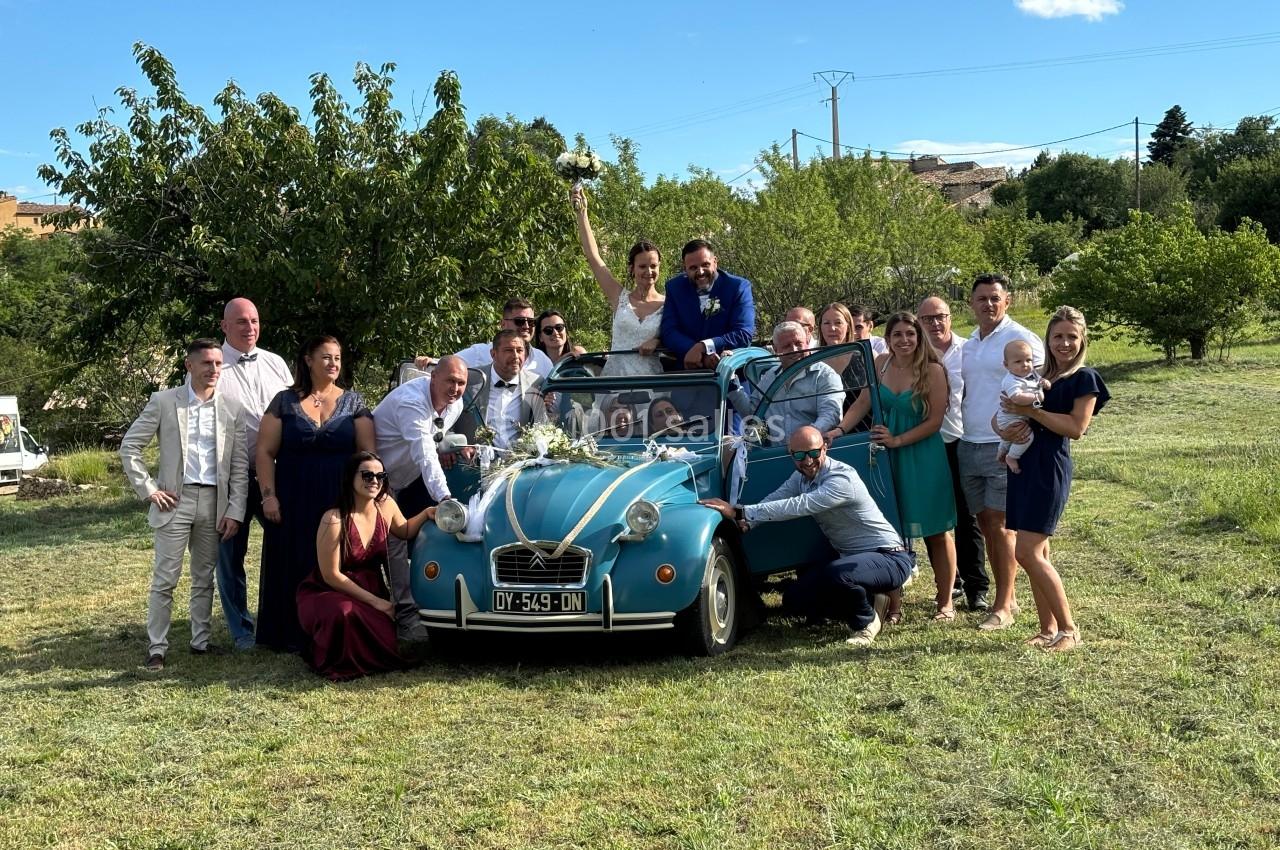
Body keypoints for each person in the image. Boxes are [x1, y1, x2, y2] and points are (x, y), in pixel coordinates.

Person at [700, 426, 912, 648]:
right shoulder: (799, 477)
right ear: (791, 455)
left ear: (825, 448)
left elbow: (799, 505)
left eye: (813, 453)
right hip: (848, 557)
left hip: (888, 556)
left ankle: (866, 622)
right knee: (795, 600)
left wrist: (739, 511)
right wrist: (747, 522)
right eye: (799, 455)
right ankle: (873, 598)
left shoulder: (841, 478)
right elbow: (778, 497)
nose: (807, 461)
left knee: (838, 575)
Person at [119, 339, 248, 671]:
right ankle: (157, 647)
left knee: (204, 575)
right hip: (174, 500)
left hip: (214, 502)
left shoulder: (232, 406)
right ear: (189, 365)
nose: (214, 370)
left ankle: (200, 642)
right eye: (206, 363)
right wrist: (148, 489)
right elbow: (129, 446)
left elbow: (238, 465)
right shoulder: (164, 402)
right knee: (166, 578)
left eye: (218, 364)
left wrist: (235, 509)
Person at [828, 312, 958, 621]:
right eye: (897, 334)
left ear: (918, 337)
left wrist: (898, 440)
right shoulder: (880, 363)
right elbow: (862, 403)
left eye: (910, 334)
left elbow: (935, 421)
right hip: (885, 459)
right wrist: (839, 430)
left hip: (922, 455)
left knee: (936, 531)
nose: (904, 340)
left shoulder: (933, 370)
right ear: (888, 339)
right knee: (890, 534)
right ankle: (894, 604)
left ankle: (945, 602)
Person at [255, 335, 375, 652]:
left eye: (337, 357)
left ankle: (340, 630)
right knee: (294, 560)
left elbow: (368, 455)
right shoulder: (284, 401)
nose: (334, 363)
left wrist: (365, 502)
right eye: (326, 357)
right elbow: (265, 452)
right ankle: (291, 633)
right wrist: (269, 495)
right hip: (292, 497)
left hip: (339, 498)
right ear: (308, 360)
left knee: (338, 563)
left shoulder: (354, 402)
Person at [1000, 306, 1110, 651]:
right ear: (1047, 340)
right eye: (1058, 337)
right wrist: (1004, 427)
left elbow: (1077, 428)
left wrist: (1030, 412)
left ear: (1083, 341)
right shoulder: (1036, 376)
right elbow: (1005, 410)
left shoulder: (1084, 379)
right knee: (1039, 551)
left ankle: (1069, 629)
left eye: (1071, 337)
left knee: (1027, 552)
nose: (1064, 343)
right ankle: (1047, 629)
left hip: (1049, 468)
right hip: (1024, 465)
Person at [297, 452, 438, 681]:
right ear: (350, 478)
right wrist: (377, 602)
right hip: (329, 591)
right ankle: (338, 662)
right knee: (344, 613)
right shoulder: (333, 519)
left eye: (380, 475)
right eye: (367, 475)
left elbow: (403, 530)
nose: (374, 480)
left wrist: (425, 513)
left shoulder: (387, 505)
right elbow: (330, 575)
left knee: (377, 628)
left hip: (370, 588)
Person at [958, 273, 1045, 631]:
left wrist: (1027, 421)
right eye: (982, 298)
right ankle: (1008, 597)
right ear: (971, 303)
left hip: (1004, 446)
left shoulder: (1021, 338)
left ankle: (1004, 606)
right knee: (987, 525)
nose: (988, 304)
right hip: (970, 442)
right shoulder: (970, 344)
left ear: (1006, 300)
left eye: (995, 297)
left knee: (1005, 527)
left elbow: (1042, 385)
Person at [372, 355, 469, 642]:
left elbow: (437, 437)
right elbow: (424, 452)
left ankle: (426, 604)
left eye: (461, 383)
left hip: (410, 478)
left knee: (419, 540)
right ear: (433, 378)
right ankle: (401, 617)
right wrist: (446, 499)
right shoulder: (411, 402)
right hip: (378, 480)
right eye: (450, 381)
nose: (455, 388)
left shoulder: (456, 404)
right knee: (391, 545)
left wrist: (452, 447)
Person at [214, 297, 293, 650]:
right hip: (231, 477)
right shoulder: (212, 367)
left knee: (287, 547)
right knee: (230, 556)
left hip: (276, 474)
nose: (250, 328)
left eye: (255, 320)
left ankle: (284, 619)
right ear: (225, 326)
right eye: (242, 322)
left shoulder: (276, 364)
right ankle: (242, 630)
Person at [918, 294, 989, 612]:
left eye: (940, 316)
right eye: (927, 319)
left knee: (966, 516)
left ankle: (977, 587)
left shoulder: (969, 350)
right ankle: (950, 584)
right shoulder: (913, 355)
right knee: (934, 518)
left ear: (950, 318)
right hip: (926, 444)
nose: (934, 323)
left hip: (961, 440)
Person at [570, 187, 665, 376]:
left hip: (652, 382)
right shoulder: (619, 297)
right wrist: (582, 213)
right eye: (642, 266)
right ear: (632, 268)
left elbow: (676, 336)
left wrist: (658, 342)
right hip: (616, 381)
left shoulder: (669, 304)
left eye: (653, 266)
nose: (649, 271)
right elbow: (593, 257)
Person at [729, 321, 843, 444]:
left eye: (798, 343)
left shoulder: (824, 375)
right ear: (776, 350)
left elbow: (831, 415)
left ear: (807, 343)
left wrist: (803, 441)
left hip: (813, 455)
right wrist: (731, 380)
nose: (794, 349)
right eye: (787, 346)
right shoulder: (770, 377)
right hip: (775, 455)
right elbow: (753, 414)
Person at [659, 239, 756, 369]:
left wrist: (704, 346)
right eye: (693, 268)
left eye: (705, 264)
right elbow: (669, 331)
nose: (700, 272)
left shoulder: (737, 287)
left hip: (730, 373)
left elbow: (744, 333)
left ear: (715, 262)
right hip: (687, 372)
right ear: (684, 268)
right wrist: (695, 352)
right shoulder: (674, 288)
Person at [456, 329, 548, 450]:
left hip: (521, 462)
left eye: (520, 350)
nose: (515, 356)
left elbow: (543, 424)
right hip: (473, 462)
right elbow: (443, 410)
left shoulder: (536, 382)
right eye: (509, 350)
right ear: (493, 354)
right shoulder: (471, 379)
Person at [455, 297, 555, 379]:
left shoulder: (542, 360)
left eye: (531, 322)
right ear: (503, 324)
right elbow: (442, 366)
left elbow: (555, 398)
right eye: (519, 321)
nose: (526, 326)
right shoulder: (479, 353)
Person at [996, 340, 1050, 474]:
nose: (1025, 365)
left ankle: (1002, 450)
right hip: (1009, 418)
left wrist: (1045, 382)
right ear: (1006, 365)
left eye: (1028, 360)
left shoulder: (1031, 374)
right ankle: (1012, 457)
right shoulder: (1011, 380)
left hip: (1018, 417)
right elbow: (1017, 398)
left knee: (1013, 435)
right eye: (1018, 362)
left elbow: (1039, 381)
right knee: (1026, 436)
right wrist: (1037, 397)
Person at [817, 302, 872, 431]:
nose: (832, 328)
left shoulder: (867, 357)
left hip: (862, 436)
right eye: (826, 323)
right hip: (824, 437)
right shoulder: (812, 364)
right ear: (820, 327)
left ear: (848, 326)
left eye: (838, 323)